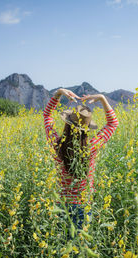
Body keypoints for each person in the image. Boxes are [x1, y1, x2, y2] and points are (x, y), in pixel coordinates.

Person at [43, 88, 119, 230]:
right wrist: (102, 98)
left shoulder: (56, 144)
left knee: (64, 246)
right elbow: (113, 123)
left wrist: (58, 93)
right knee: (80, 247)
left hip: (62, 206)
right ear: (87, 129)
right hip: (83, 205)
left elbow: (47, 116)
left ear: (67, 124)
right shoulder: (91, 148)